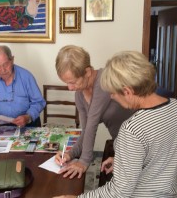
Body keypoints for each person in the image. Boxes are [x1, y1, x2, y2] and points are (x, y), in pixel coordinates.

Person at [54, 51, 177, 198]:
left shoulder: (131, 129)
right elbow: (158, 156)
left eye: (112, 93)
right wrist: (124, 159)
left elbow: (119, 192)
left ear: (127, 92)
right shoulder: (176, 107)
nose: (111, 97)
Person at [54, 45, 133, 179]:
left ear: (88, 72)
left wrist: (84, 161)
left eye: (73, 82)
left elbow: (92, 124)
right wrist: (69, 154)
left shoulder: (103, 81)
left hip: (138, 142)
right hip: (121, 144)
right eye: (66, 83)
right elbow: (86, 131)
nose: (70, 88)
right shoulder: (80, 94)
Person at [0, 45, 46, 127]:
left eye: (5, 64)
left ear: (12, 60)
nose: (3, 70)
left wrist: (28, 117)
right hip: (1, 128)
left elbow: (39, 102)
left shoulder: (26, 77)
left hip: (27, 125)